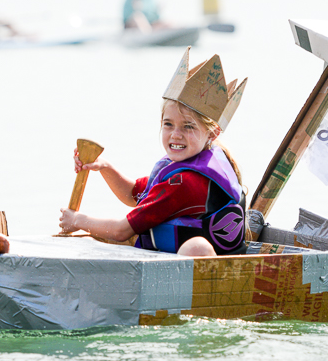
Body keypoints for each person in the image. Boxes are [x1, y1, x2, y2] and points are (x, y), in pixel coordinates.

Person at [59, 48, 248, 257]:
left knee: (196, 247)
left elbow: (121, 231)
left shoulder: (185, 184)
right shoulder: (188, 166)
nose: (176, 135)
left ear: (212, 133)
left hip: (210, 275)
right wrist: (104, 167)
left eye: (188, 126)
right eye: (168, 124)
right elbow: (135, 195)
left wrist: (77, 220)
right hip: (175, 267)